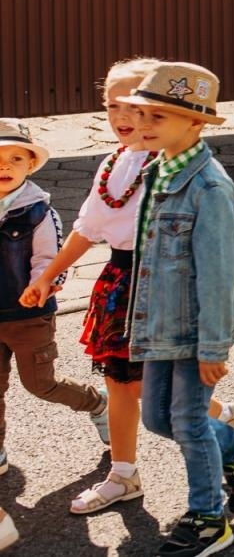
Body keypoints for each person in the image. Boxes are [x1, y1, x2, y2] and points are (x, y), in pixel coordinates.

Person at [21, 60, 234, 518]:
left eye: (138, 107)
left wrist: (214, 340)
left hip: (160, 285)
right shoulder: (115, 164)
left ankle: (222, 432)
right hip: (119, 281)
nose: (127, 118)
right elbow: (88, 228)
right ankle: (123, 473)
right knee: (120, 383)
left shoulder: (177, 168)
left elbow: (217, 263)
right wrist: (48, 276)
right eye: (114, 106)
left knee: (159, 396)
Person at [122, 62, 234, 555]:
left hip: (195, 330)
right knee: (158, 420)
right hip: (162, 324)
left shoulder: (208, 187)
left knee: (187, 421)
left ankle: (210, 518)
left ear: (196, 124)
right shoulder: (158, 170)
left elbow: (217, 272)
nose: (144, 125)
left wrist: (213, 346)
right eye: (142, 114)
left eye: (158, 118)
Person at [0, 120, 111, 473]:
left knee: (41, 384)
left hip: (27, 316)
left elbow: (49, 258)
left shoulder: (38, 212)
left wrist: (42, 284)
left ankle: (96, 403)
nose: (5, 166)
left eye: (16, 159)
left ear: (30, 165)